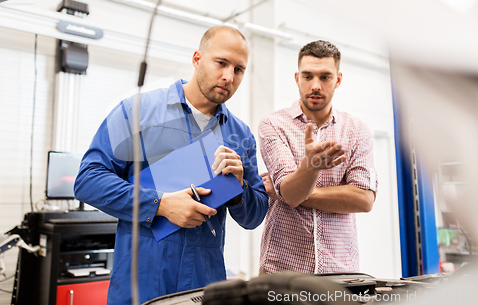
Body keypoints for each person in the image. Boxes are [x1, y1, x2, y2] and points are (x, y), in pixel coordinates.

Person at [74, 26, 268, 304]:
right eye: (221, 63)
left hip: (202, 285)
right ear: (197, 59)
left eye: (239, 70)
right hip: (140, 282)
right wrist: (160, 204)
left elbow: (254, 217)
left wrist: (240, 190)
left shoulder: (241, 135)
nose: (229, 76)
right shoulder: (136, 112)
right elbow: (88, 180)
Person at [258, 40, 377, 275]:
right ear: (297, 78)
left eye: (325, 77)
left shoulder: (357, 130)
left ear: (338, 80)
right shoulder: (272, 125)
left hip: (341, 273)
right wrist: (310, 168)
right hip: (282, 272)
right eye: (308, 76)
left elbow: (363, 200)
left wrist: (290, 189)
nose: (315, 85)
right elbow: (291, 194)